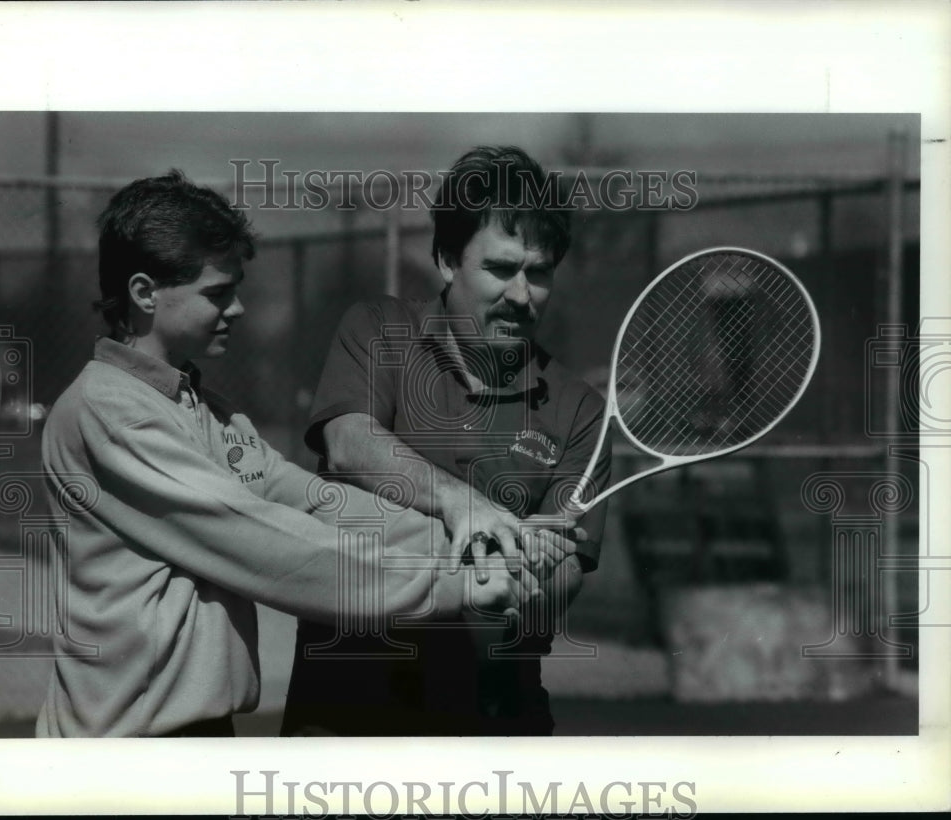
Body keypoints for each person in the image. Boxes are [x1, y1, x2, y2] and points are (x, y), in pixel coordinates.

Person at [36, 170, 531, 738]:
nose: (240, 308)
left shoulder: (205, 409)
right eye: (217, 293)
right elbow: (263, 538)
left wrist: (475, 540)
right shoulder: (107, 409)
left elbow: (311, 500)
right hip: (121, 753)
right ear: (145, 293)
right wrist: (452, 585)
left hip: (192, 735)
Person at [281, 146, 612, 736]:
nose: (521, 295)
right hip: (348, 706)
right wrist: (467, 506)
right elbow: (349, 442)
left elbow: (563, 581)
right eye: (500, 269)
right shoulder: (378, 329)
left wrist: (522, 588)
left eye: (538, 273)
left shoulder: (579, 410)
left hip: (495, 715)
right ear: (445, 260)